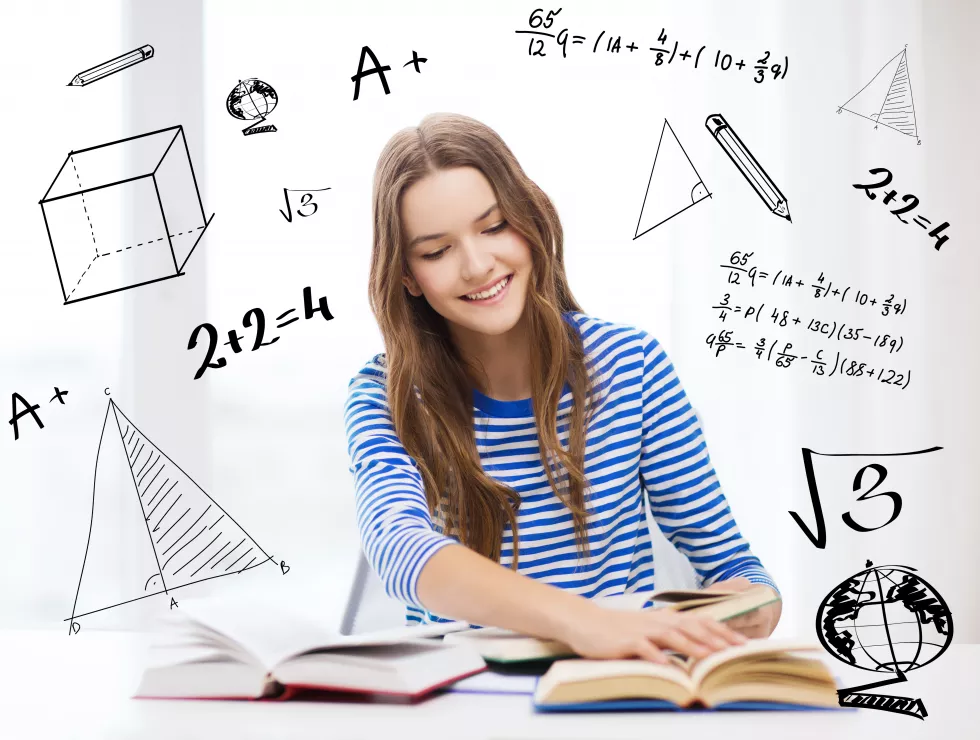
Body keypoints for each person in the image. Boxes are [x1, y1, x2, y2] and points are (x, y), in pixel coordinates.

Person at [344, 112, 781, 664]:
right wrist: (587, 624)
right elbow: (402, 550)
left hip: (614, 690)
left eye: (494, 226)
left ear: (530, 220)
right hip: (468, 701)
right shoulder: (384, 395)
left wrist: (730, 614)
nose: (478, 265)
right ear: (406, 275)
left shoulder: (630, 365)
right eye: (436, 251)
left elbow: (740, 573)